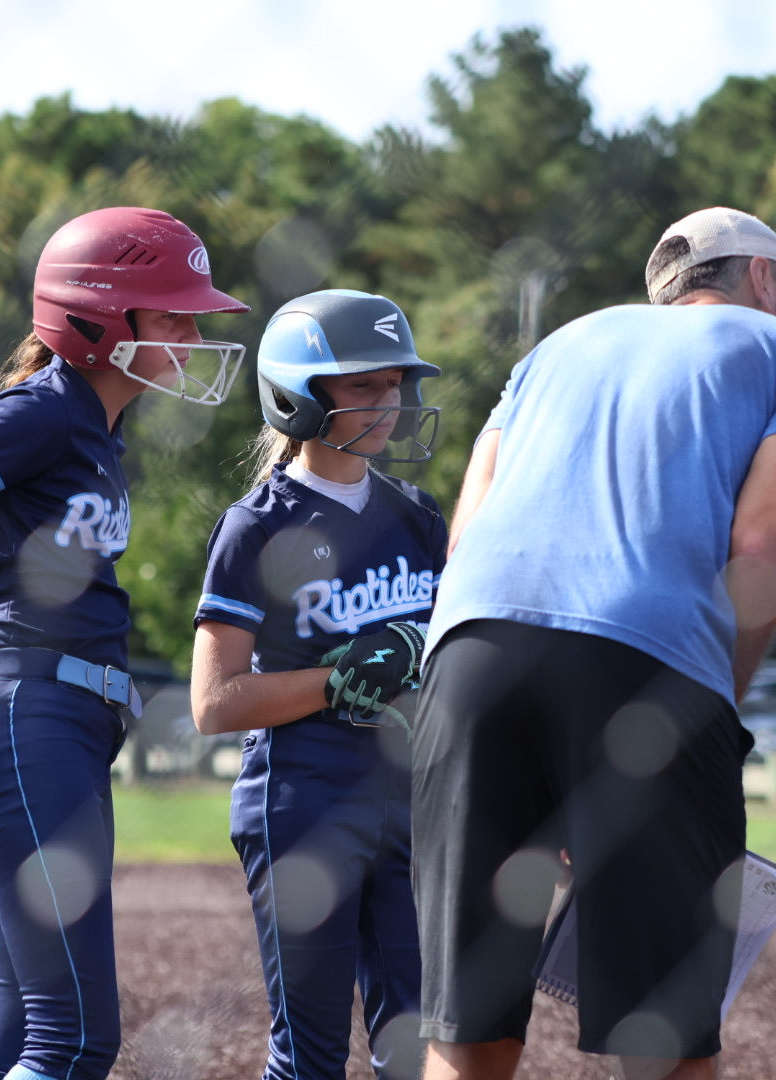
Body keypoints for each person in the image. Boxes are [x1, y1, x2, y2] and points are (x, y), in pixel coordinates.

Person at [410, 206, 776, 1080]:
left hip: (468, 656)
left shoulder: (554, 349)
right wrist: (717, 707)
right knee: (663, 1035)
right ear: (763, 277)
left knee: (464, 1022)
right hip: (647, 665)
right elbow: (758, 550)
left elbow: (465, 538)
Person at [0, 206, 249, 1080]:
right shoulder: (47, 410)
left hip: (59, 723)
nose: (193, 333)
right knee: (73, 1040)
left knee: (23, 1034)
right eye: (174, 314)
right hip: (33, 723)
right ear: (98, 319)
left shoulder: (92, 425)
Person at [189, 289, 446, 1080]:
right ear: (295, 397)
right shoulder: (259, 526)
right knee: (309, 1057)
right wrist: (341, 678)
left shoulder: (419, 517)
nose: (389, 403)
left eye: (395, 384)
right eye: (364, 385)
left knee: (418, 1049)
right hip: (305, 800)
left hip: (413, 798)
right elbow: (214, 704)